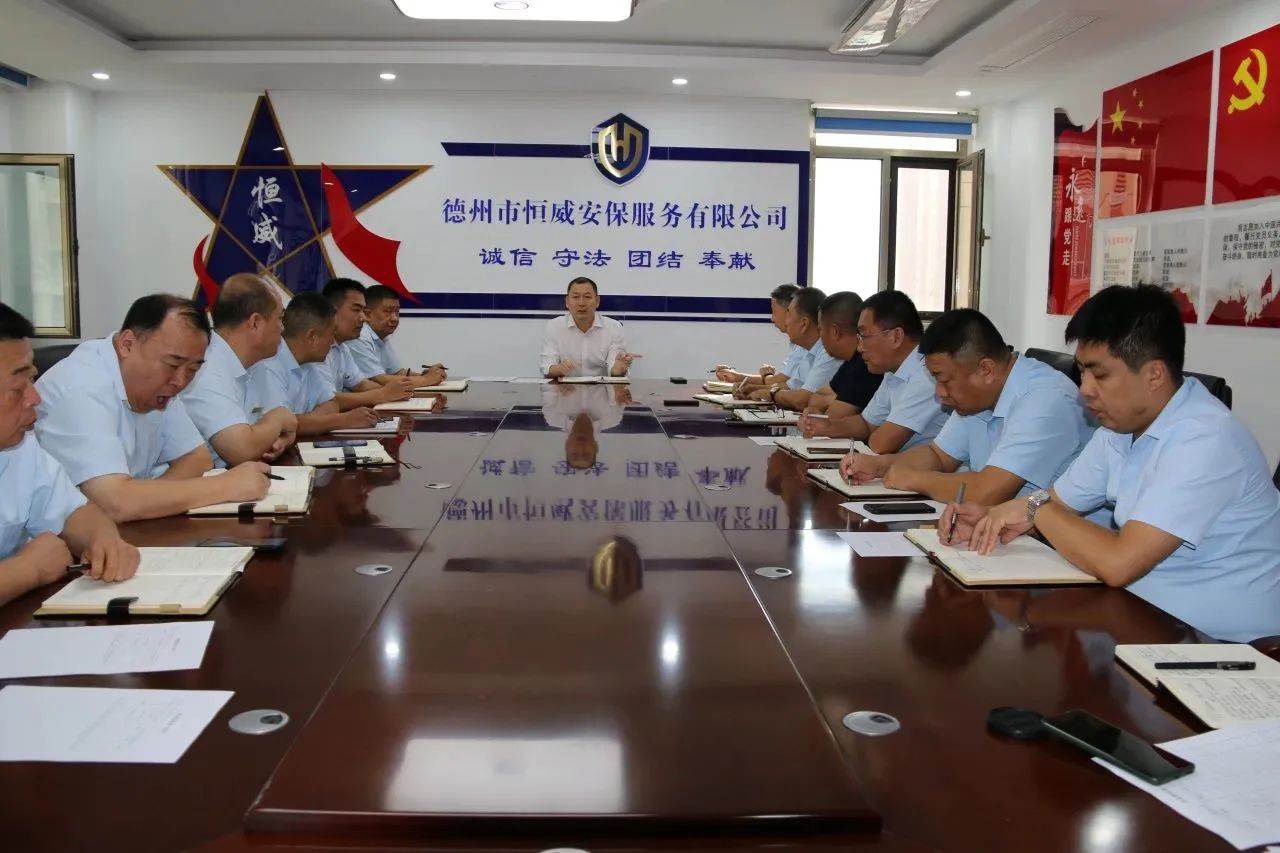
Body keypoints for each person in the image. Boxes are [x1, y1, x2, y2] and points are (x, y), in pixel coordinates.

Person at [949, 285, 1280, 643]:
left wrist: (1034, 509)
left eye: (1100, 375)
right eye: (1082, 372)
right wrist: (990, 519)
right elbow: (1058, 502)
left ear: (1154, 375)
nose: (1084, 389)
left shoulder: (1205, 438)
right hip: (1141, 618)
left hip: (1222, 646)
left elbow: (1118, 563)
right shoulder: (1120, 427)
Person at [34, 294, 272, 522]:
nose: (181, 381)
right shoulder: (82, 387)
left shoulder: (161, 386)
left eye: (193, 370)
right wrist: (224, 486)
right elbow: (115, 502)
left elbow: (197, 459)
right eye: (173, 364)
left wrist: (144, 502)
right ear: (127, 344)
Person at [841, 308, 1093, 508]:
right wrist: (880, 466)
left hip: (1055, 547)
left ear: (986, 370)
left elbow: (986, 492)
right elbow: (938, 455)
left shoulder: (1045, 398)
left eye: (944, 380)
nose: (939, 393)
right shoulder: (977, 398)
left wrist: (912, 478)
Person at [0, 302, 138, 605]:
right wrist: (27, 570)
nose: (35, 398)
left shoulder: (19, 446)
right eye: (18, 387)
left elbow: (75, 513)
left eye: (32, 379)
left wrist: (104, 540)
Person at [181, 273, 297, 466]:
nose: (282, 329)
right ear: (255, 323)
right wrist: (278, 420)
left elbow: (289, 425)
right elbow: (241, 450)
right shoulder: (205, 368)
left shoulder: (258, 363)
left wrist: (280, 440)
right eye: (279, 319)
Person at [821, 290, 949, 454]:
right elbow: (866, 423)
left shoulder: (927, 375)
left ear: (896, 336)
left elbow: (881, 444)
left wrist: (872, 434)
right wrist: (825, 426)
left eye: (864, 336)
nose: (859, 348)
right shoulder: (893, 370)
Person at [247, 293, 382, 437]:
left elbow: (331, 403)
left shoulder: (308, 363)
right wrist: (343, 420)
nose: (332, 342)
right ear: (312, 336)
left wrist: (309, 422)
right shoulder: (268, 365)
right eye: (331, 334)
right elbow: (280, 424)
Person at [319, 278, 414, 410]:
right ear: (331, 311)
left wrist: (397, 393)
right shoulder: (315, 348)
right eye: (356, 310)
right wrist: (383, 394)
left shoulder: (342, 346)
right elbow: (326, 400)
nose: (363, 318)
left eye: (363, 311)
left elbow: (360, 384)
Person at [743, 287, 841, 410]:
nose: (786, 322)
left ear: (804, 323)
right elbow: (791, 387)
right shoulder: (808, 351)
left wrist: (770, 393)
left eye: (788, 314)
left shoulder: (829, 352)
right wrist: (753, 389)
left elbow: (802, 400)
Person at [796, 291, 882, 430]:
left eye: (820, 330)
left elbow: (831, 419)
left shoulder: (866, 364)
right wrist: (833, 400)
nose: (820, 337)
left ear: (835, 331)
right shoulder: (850, 361)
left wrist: (831, 401)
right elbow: (816, 398)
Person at [346, 285, 446, 389]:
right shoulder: (359, 337)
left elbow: (397, 372)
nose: (395, 318)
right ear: (367, 315)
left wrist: (427, 375)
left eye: (397, 311)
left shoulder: (381, 336)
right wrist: (426, 380)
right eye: (388, 311)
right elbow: (380, 380)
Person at [540, 277, 639, 379]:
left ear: (597, 301)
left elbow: (615, 369)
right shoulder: (554, 326)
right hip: (565, 388)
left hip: (602, 388)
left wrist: (618, 370)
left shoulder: (614, 327)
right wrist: (559, 369)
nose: (581, 303)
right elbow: (547, 367)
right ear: (567, 301)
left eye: (587, 297)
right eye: (575, 297)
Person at [714, 283, 802, 389]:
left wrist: (758, 384)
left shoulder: (807, 346)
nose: (772, 319)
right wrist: (737, 376)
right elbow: (779, 381)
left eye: (774, 311)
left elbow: (780, 383)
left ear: (790, 312)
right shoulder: (796, 343)